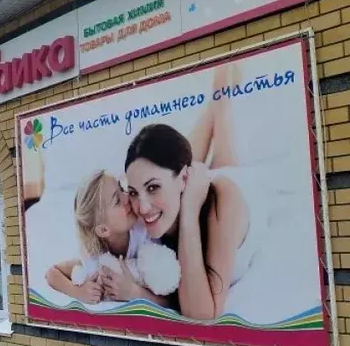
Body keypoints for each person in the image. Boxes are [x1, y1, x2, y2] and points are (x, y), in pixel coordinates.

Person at [123, 87, 264, 320]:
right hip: (189, 185)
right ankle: (214, 104)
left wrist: (189, 211)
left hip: (238, 188)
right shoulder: (141, 209)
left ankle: (220, 95)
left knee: (224, 150)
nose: (143, 208)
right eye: (133, 192)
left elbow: (202, 313)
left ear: (185, 180)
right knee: (177, 160)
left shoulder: (224, 197)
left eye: (152, 188)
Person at [45, 169, 167, 307]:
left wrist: (134, 292)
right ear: (103, 230)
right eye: (117, 200)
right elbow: (52, 273)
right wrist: (78, 292)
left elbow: (172, 303)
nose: (126, 197)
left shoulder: (146, 234)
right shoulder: (94, 255)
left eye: (122, 188)